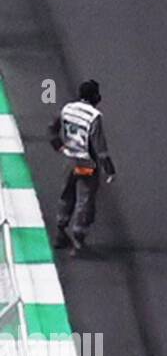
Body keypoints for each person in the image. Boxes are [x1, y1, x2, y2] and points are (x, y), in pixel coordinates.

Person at [48, 80, 116, 255]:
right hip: (87, 164)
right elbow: (100, 148)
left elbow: (52, 129)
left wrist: (59, 146)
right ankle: (78, 241)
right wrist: (109, 169)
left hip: (70, 160)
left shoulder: (67, 109)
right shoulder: (94, 116)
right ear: (94, 96)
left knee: (66, 195)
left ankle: (61, 231)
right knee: (85, 201)